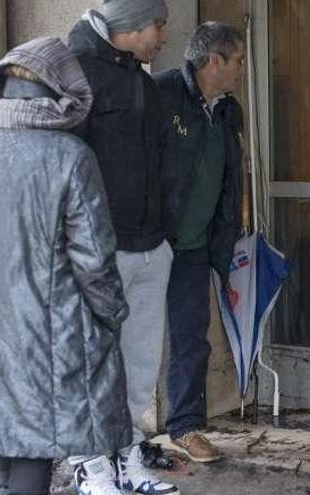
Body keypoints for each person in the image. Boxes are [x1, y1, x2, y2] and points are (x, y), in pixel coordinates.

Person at [0, 37, 130, 495]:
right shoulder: (69, 157)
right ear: (63, 90)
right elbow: (93, 260)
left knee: (7, 434)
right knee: (32, 449)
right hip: (43, 331)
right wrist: (113, 314)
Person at [67, 1, 179, 494]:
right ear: (132, 26)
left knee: (139, 365)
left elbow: (160, 162)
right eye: (160, 25)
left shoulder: (141, 80)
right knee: (94, 364)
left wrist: (166, 232)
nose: (164, 36)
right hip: (99, 251)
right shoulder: (74, 75)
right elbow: (61, 169)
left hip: (152, 246)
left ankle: (129, 458)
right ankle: (89, 465)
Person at [154, 21, 245, 463]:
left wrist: (222, 247)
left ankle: (186, 427)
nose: (242, 70)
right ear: (214, 61)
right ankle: (121, 439)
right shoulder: (161, 94)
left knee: (192, 338)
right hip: (151, 244)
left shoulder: (227, 111)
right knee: (134, 338)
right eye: (239, 61)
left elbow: (230, 186)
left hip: (193, 247)